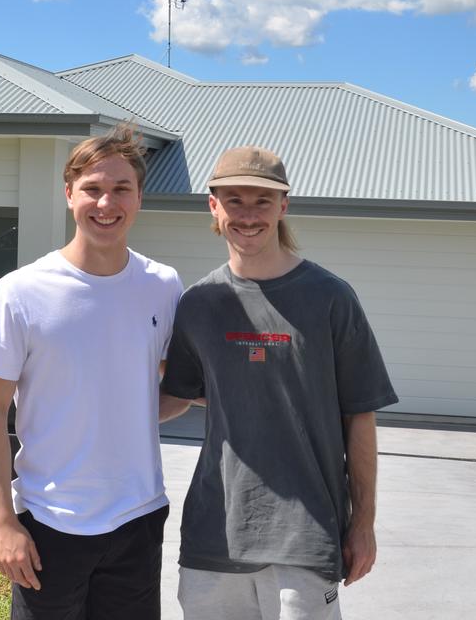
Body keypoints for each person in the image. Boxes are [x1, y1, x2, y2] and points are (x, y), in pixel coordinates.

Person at [159, 146, 398, 620]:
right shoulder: (198, 303)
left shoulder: (330, 298)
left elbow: (360, 417)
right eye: (234, 200)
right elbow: (173, 398)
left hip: (305, 535)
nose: (248, 215)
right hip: (214, 533)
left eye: (262, 201)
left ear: (283, 206)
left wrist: (363, 524)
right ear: (213, 206)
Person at [0, 124, 183, 620]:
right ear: (69, 194)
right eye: (92, 188)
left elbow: (175, 389)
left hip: (138, 519)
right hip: (48, 523)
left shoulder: (163, 286)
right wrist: (3, 523)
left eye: (120, 188)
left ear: (139, 198)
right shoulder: (20, 292)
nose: (106, 202)